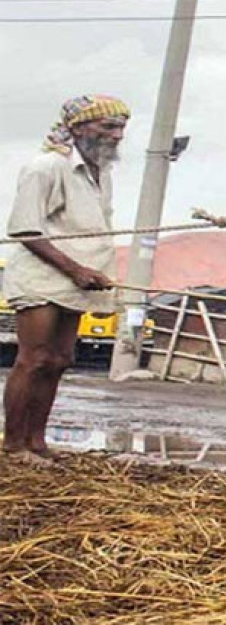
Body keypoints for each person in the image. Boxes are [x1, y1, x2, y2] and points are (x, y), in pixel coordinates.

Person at [3, 95, 127, 464]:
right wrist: (75, 270)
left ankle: (37, 443)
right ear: (78, 127)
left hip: (78, 280)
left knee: (59, 360)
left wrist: (90, 272)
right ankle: (13, 446)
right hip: (42, 277)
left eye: (121, 128)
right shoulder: (46, 167)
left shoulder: (100, 173)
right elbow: (24, 229)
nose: (117, 135)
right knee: (35, 359)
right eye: (108, 126)